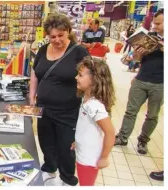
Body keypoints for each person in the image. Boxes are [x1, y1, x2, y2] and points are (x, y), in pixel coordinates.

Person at [29, 13, 89, 186]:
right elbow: (35, 74)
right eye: (52, 36)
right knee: (46, 141)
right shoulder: (42, 49)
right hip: (43, 108)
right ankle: (50, 168)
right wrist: (32, 96)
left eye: (60, 35)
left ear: (68, 31)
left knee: (66, 147)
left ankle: (67, 178)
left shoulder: (79, 51)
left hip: (68, 110)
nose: (56, 40)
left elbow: (90, 77)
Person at [114, 9, 164, 155]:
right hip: (141, 79)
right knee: (131, 111)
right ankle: (122, 137)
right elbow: (136, 59)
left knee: (152, 115)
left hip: (160, 84)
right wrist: (137, 52)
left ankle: (143, 140)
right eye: (154, 23)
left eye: (158, 23)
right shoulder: (149, 36)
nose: (154, 26)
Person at [71, 56, 116, 186]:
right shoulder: (86, 97)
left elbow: (110, 132)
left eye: (80, 75)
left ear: (94, 79)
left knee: (86, 184)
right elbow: (86, 126)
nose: (76, 78)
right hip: (83, 151)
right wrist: (78, 140)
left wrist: (104, 157)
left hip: (89, 158)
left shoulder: (94, 105)